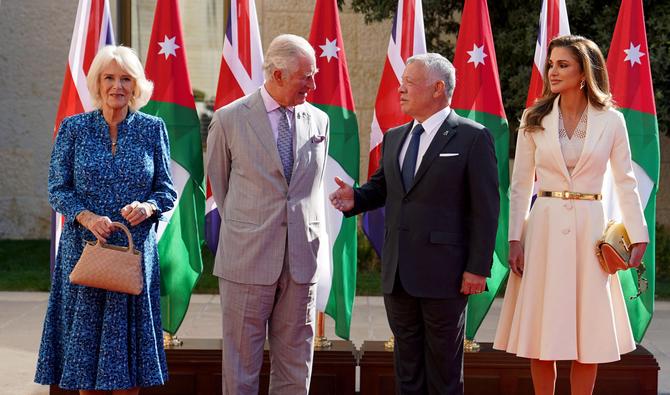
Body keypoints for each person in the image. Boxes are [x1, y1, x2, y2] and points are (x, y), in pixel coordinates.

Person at [329, 53, 499, 395]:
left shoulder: (472, 137)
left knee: (443, 372)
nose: (400, 89)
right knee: (407, 370)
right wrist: (356, 198)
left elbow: (486, 208)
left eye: (408, 82)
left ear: (438, 88)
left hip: (446, 275)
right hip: (399, 274)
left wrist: (477, 268)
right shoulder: (395, 137)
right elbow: (384, 187)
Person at [493, 35, 649, 395]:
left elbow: (625, 181)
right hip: (543, 229)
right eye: (551, 64)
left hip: (590, 231)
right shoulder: (534, 117)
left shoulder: (612, 121)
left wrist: (639, 234)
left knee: (588, 331)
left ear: (584, 72)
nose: (552, 71)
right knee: (540, 331)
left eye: (563, 64)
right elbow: (520, 185)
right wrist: (514, 238)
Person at [34, 45, 177, 395]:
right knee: (86, 365)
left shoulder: (152, 128)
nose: (117, 86)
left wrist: (147, 207)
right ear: (97, 84)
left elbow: (166, 191)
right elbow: (57, 188)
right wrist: (86, 216)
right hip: (84, 254)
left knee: (130, 365)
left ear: (136, 85)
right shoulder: (74, 128)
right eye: (109, 78)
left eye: (125, 78)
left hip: (132, 255)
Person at [206, 34, 328, 395]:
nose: (313, 84)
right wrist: (252, 228)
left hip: (301, 260)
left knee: (295, 363)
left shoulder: (320, 121)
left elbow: (310, 189)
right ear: (277, 74)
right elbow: (221, 188)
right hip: (247, 259)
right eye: (306, 76)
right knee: (242, 365)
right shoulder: (228, 120)